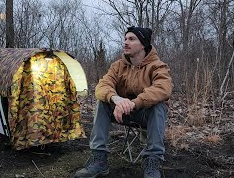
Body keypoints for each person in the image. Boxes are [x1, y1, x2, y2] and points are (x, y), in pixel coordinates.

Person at [74, 26, 173, 178]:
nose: (126, 42)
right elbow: (102, 86)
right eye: (125, 39)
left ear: (143, 44)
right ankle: (99, 159)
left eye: (131, 39)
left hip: (145, 115)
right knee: (102, 101)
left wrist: (134, 103)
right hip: (121, 112)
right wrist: (117, 99)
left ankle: (152, 163)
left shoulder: (158, 66)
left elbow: (163, 88)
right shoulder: (118, 66)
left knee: (159, 105)